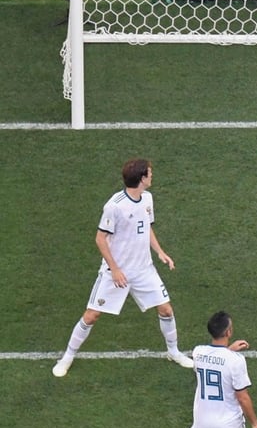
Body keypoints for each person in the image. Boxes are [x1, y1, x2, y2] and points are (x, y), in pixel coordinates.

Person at [52, 158, 194, 378]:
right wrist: (115, 269)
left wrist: (160, 252)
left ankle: (173, 351)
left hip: (144, 270)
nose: (152, 175)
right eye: (149, 173)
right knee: (91, 315)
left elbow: (146, 228)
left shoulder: (147, 199)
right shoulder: (115, 206)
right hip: (115, 272)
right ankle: (67, 356)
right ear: (141, 178)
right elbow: (100, 239)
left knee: (166, 309)